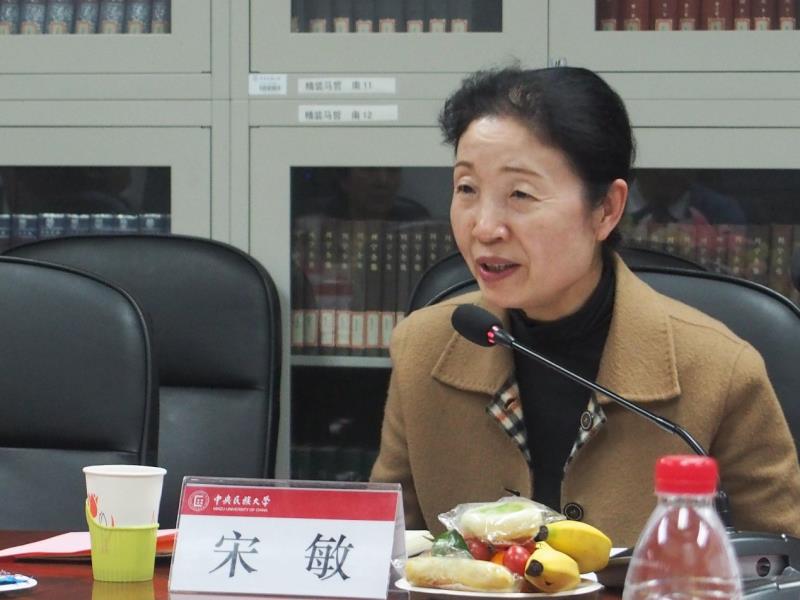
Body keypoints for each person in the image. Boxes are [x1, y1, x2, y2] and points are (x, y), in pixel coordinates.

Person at [369, 66, 800, 547]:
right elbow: (384, 552)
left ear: (606, 210)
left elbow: (780, 565)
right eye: (466, 189)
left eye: (520, 194)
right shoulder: (423, 349)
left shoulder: (719, 371)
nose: (485, 227)